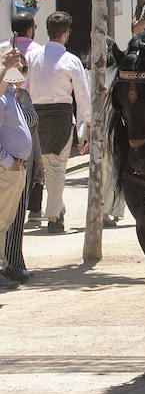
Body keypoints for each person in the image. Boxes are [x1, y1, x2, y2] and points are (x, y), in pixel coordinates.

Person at [27, 12, 90, 236]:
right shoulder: (71, 60)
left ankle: (58, 210)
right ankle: (54, 217)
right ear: (66, 33)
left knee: (48, 167)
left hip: (36, 119)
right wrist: (89, 123)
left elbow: (23, 89)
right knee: (56, 169)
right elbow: (82, 94)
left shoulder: (33, 58)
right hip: (62, 118)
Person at [0, 54, 33, 288]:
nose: (21, 72)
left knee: (5, 221)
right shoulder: (3, 97)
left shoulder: (13, 96)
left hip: (16, 167)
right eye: (18, 67)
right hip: (8, 168)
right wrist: (6, 160)